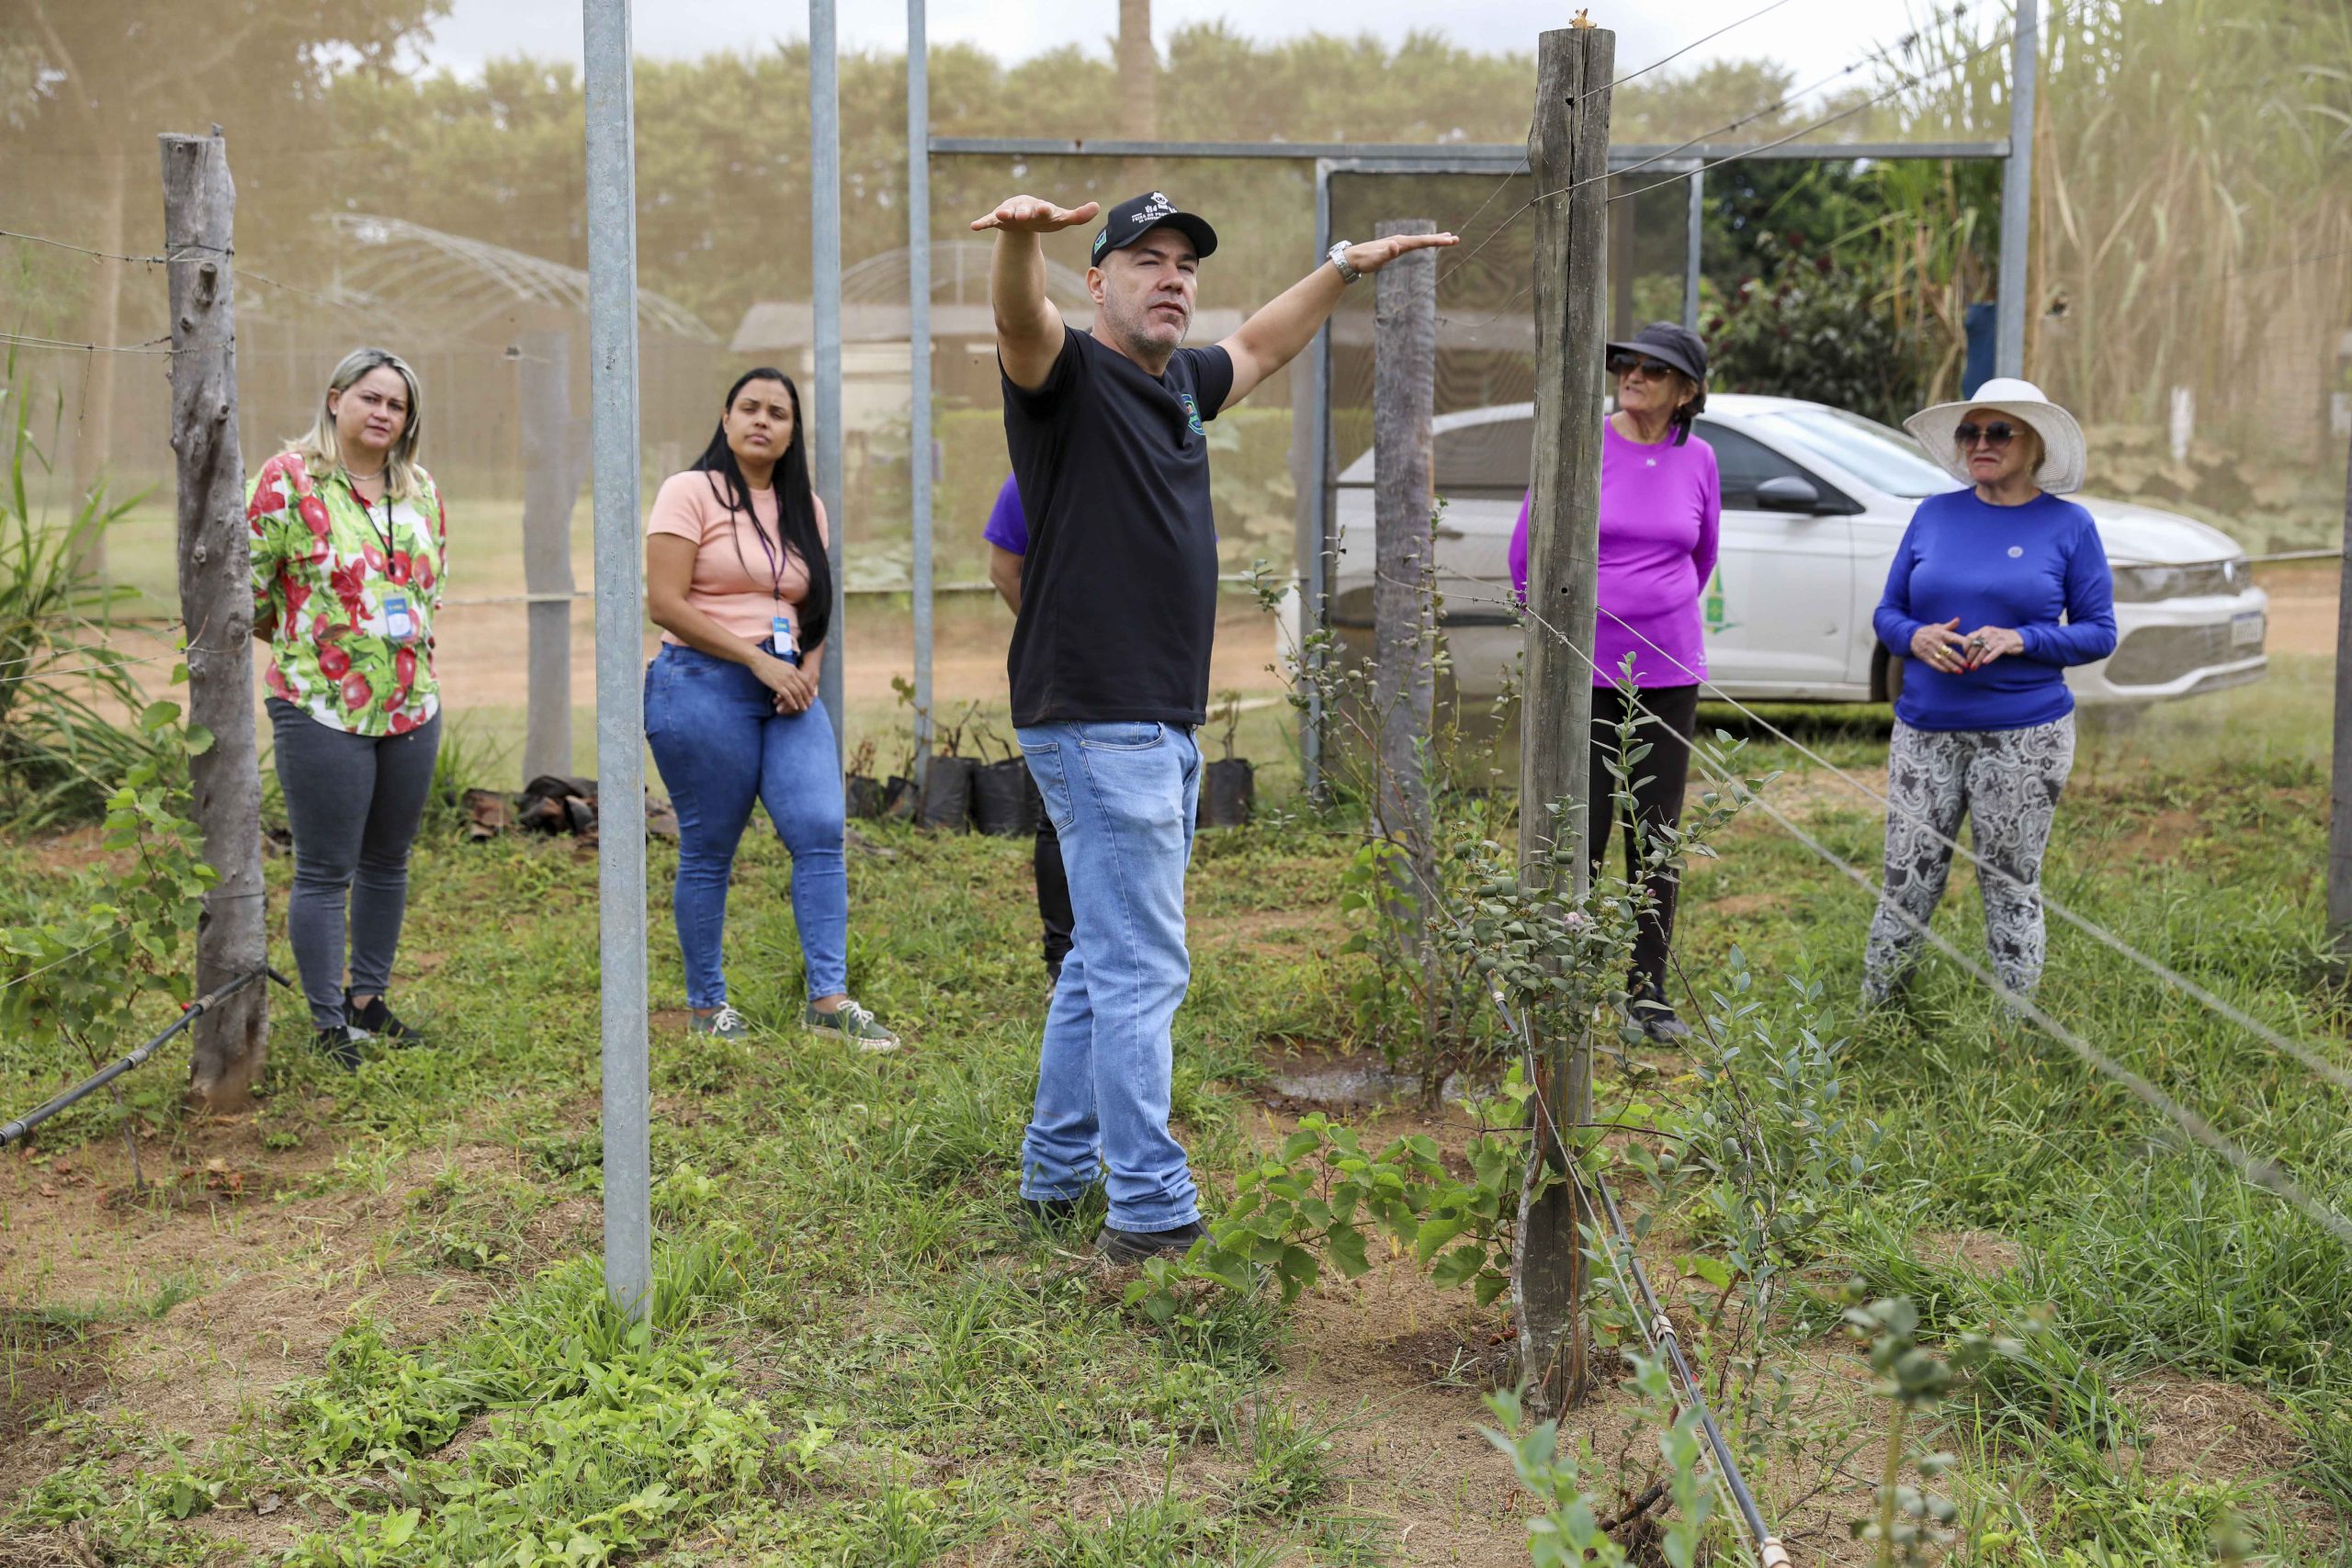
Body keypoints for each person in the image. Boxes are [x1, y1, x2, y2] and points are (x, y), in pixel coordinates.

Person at [977, 188, 1454, 1259]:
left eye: (1184, 262)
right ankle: (1148, 1211)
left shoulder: (1178, 386)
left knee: (1107, 962)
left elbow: (1259, 345)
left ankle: (1056, 1176)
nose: (1171, 277)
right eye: (1144, 260)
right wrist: (1019, 242)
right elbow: (1018, 324)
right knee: (1144, 964)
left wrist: (1348, 261)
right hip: (1105, 719)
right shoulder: (1067, 378)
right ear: (1093, 280)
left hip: (1146, 722)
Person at [642, 368, 899, 1051]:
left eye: (778, 413)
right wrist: (756, 659)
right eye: (749, 408)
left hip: (788, 692)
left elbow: (812, 607)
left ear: (792, 432)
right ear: (725, 419)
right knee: (709, 846)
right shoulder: (689, 492)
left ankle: (829, 998)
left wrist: (805, 670)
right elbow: (664, 602)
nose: (763, 421)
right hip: (701, 681)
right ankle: (707, 1007)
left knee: (819, 828)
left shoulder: (805, 506)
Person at [1863, 378, 2116, 1005]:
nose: (1981, 442)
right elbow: (1888, 612)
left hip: (2025, 733)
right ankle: (1879, 1012)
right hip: (1925, 726)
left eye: (1999, 431)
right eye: (1970, 432)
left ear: (2033, 445)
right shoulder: (1932, 515)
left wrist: (2022, 639)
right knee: (1908, 877)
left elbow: (2098, 632)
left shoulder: (2068, 526)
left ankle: (2016, 1026)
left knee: (2009, 880)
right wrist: (1914, 637)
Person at [1506, 321, 1721, 1042]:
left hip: (1669, 671)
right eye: (1627, 363)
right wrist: (1560, 638)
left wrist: (1657, 613)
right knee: (1581, 826)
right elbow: (1527, 548)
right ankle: (1563, 980)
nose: (1633, 375)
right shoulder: (1584, 443)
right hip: (1583, 670)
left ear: (1686, 391)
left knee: (1654, 833)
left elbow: (1701, 557)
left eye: (1654, 370)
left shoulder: (1701, 461)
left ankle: (1646, 992)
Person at [247, 347, 446, 1068]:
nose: (383, 413)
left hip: (411, 703)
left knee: (388, 860)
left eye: (397, 404)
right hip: (321, 703)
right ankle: (330, 1023)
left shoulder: (419, 488)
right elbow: (250, 589)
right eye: (370, 397)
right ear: (335, 399)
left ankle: (370, 1000)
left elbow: (429, 589)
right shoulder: (288, 479)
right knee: (327, 868)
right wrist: (316, 646)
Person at [981, 473, 1076, 992]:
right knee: (1059, 811)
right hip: (1062, 672)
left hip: (1149, 672)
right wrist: (1056, 630)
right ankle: (1062, 958)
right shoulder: (1032, 476)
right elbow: (1004, 569)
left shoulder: (1167, 457)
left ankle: (1131, 950)